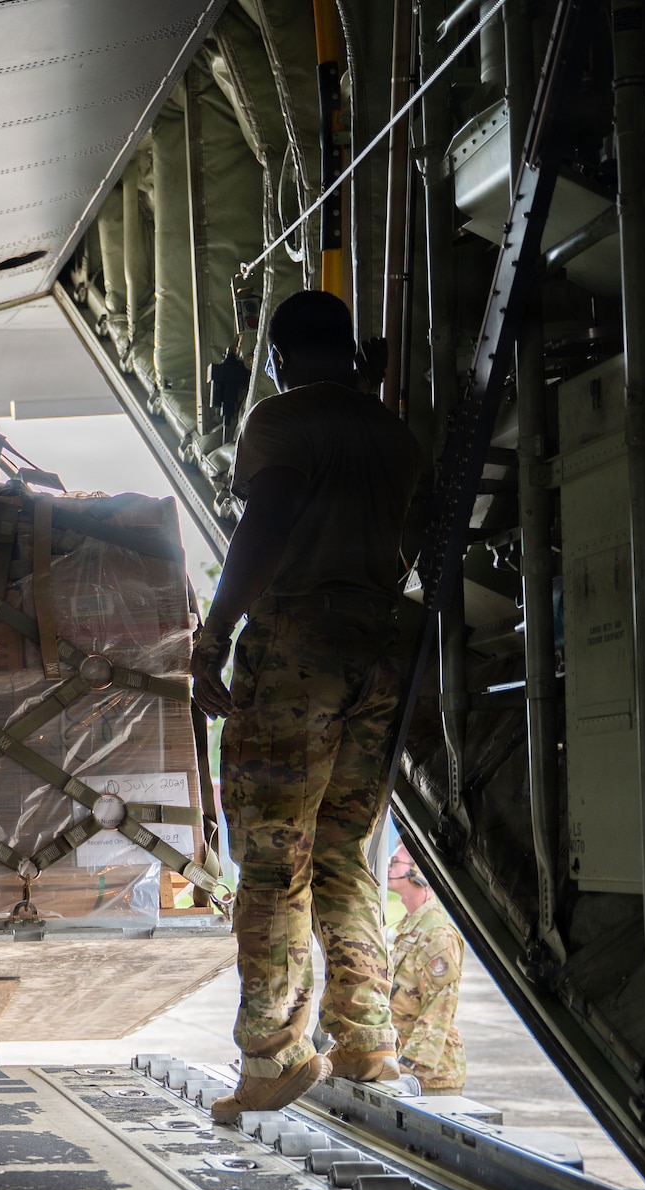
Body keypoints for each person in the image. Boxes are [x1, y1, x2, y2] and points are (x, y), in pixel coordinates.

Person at [191, 289, 423, 1123]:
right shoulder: (391, 434)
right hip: (381, 649)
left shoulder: (280, 420)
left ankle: (273, 1055)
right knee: (341, 848)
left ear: (283, 357)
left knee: (269, 853)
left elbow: (270, 516)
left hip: (300, 653)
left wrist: (214, 634)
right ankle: (364, 1041)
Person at [387, 842, 466, 1093]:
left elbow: (440, 1005)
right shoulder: (411, 926)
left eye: (395, 863)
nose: (388, 868)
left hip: (430, 1075)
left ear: (418, 873)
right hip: (405, 1067)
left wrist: (410, 1064)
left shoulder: (436, 933)